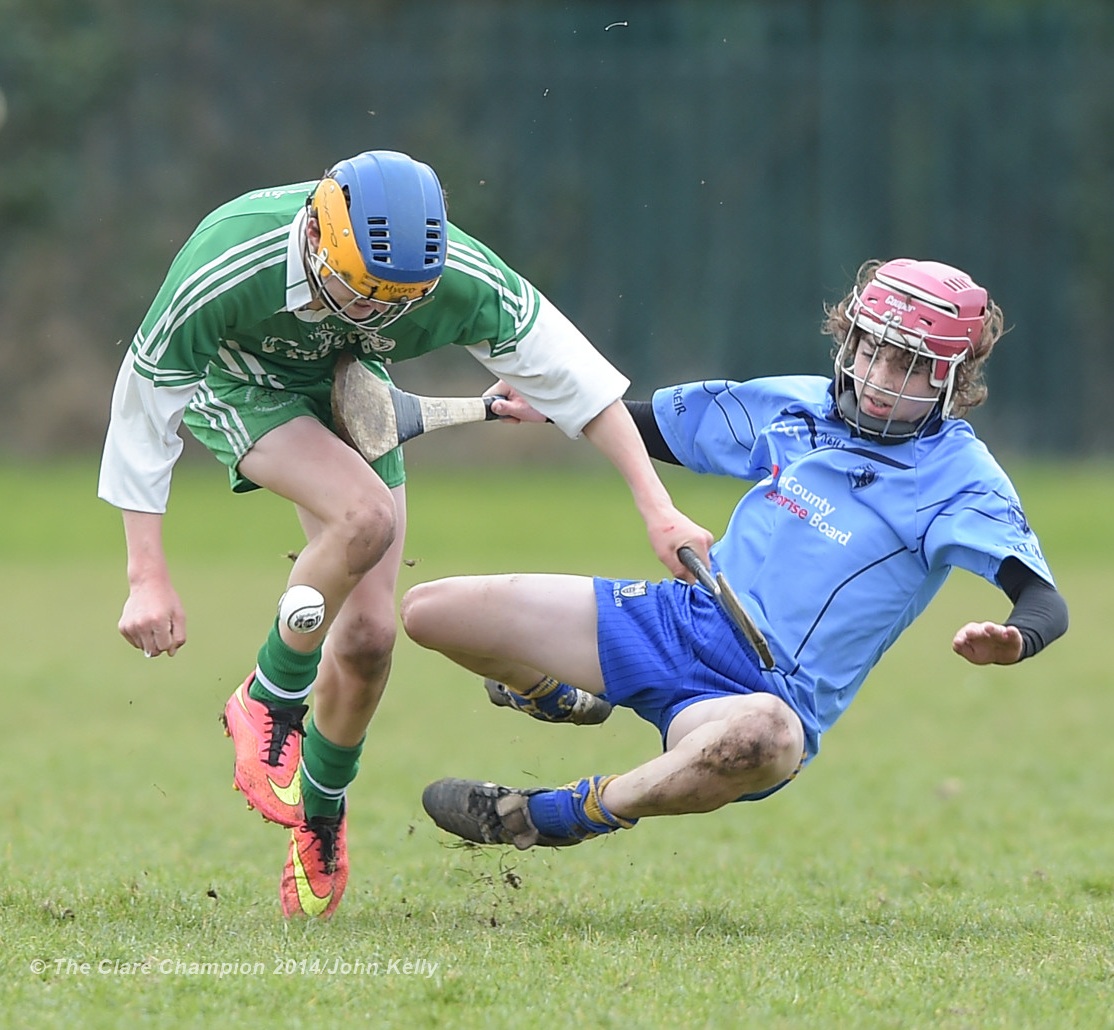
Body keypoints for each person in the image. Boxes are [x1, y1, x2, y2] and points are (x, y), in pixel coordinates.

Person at [97, 149, 712, 918]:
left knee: (367, 641)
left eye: (393, 303)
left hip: (358, 395)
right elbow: (143, 407)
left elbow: (581, 386)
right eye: (356, 292)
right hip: (244, 388)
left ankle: (318, 815)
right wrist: (145, 576)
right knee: (366, 515)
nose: (370, 313)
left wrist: (657, 506)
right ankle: (268, 695)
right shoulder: (231, 257)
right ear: (317, 237)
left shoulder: (463, 276)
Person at [402, 258, 1069, 852]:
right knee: (429, 612)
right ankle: (559, 695)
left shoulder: (960, 477)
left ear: (953, 379)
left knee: (770, 739)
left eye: (907, 363)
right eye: (870, 349)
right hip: (674, 617)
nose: (877, 376)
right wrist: (555, 408)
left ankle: (556, 813)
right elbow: (659, 426)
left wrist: (1016, 638)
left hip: (757, 695)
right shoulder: (801, 406)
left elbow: (1044, 599)